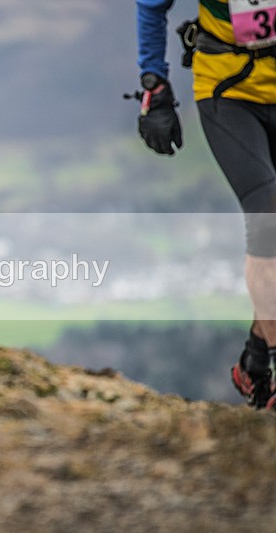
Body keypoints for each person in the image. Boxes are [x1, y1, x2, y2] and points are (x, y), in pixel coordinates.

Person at [134, 1, 276, 408]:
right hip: (228, 90)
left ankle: (256, 356)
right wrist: (154, 85)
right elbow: (151, 4)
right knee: (267, 216)